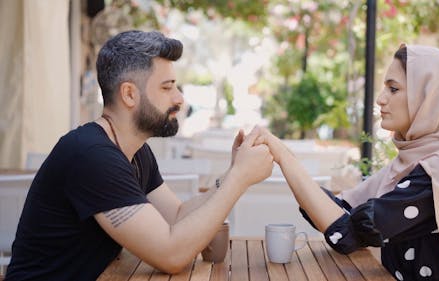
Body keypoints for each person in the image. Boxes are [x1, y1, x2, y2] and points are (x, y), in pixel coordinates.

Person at [5, 30, 274, 280]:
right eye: (167, 87)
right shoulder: (91, 156)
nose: (179, 99)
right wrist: (239, 179)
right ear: (129, 94)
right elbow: (171, 256)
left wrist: (231, 172)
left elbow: (177, 216)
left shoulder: (134, 150)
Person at [254, 44, 439, 281]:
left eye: (393, 89)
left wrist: (285, 158)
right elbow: (342, 213)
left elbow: (347, 235)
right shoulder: (417, 159)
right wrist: (287, 159)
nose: (381, 99)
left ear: (429, 97)